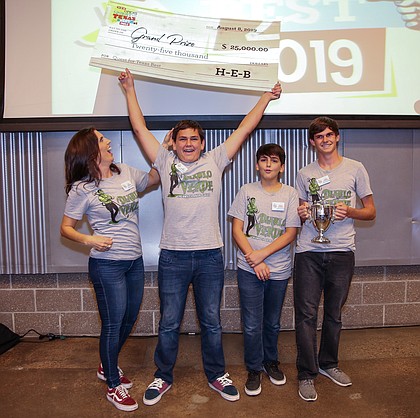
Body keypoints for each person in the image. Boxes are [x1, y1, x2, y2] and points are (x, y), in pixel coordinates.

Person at [118, 68, 281, 405]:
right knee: (169, 321)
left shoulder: (216, 160)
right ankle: (162, 376)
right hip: (173, 256)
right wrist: (130, 89)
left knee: (211, 320)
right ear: (174, 144)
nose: (188, 144)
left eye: (194, 139)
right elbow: (139, 128)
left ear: (203, 143)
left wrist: (264, 98)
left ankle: (216, 374)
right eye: (183, 139)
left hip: (210, 255)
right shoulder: (164, 162)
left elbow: (245, 128)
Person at [60, 127, 160, 412]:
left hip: (134, 261)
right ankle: (113, 385)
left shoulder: (125, 172)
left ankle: (107, 366)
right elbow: (65, 228)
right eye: (103, 140)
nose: (108, 143)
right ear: (92, 151)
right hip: (107, 266)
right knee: (113, 323)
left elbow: (153, 179)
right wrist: (90, 238)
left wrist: (163, 154)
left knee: (128, 318)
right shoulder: (83, 189)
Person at [293, 117, 376, 402]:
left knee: (333, 314)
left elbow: (371, 211)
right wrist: (302, 213)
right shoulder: (304, 174)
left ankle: (329, 364)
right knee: (305, 315)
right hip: (308, 251)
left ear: (337, 137)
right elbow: (300, 210)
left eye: (329, 134)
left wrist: (349, 212)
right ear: (312, 142)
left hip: (342, 251)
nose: (325, 139)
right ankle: (306, 373)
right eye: (319, 136)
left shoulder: (356, 168)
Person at [228, 143, 300, 396]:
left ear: (282, 166)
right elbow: (237, 229)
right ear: (257, 164)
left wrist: (263, 256)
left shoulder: (290, 193)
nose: (269, 164)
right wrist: (254, 259)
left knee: (271, 322)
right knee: (251, 324)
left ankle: (271, 362)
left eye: (274, 160)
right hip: (249, 269)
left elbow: (291, 232)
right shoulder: (246, 191)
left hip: (278, 270)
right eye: (264, 160)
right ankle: (254, 368)